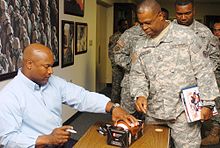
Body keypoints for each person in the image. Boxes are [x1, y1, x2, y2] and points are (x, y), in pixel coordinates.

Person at [0, 43, 138, 147]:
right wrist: (47, 139)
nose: (51, 72)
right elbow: (7, 138)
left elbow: (82, 97)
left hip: (59, 142)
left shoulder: (53, 82)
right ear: (29, 64)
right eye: (46, 66)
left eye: (51, 66)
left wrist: (112, 107)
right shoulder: (10, 95)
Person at [130, 0, 220, 147]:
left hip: (183, 112)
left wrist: (208, 103)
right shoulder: (140, 44)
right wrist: (140, 94)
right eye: (141, 24)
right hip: (154, 111)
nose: (144, 28)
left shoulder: (187, 36)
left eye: (148, 22)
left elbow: (204, 70)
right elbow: (137, 74)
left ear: (160, 16)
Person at [174, 0, 220, 145]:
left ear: (194, 11)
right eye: (179, 14)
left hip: (194, 87)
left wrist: (201, 76)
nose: (183, 17)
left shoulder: (204, 32)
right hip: (171, 85)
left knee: (193, 123)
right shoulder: (167, 30)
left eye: (187, 13)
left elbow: (214, 56)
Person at [113, 22, 146, 115]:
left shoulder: (166, 34)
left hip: (155, 86)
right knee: (127, 117)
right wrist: (135, 66)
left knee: (153, 123)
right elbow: (118, 55)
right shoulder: (130, 33)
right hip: (130, 84)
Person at [108, 19, 129, 103]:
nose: (126, 27)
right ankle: (114, 105)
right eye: (124, 25)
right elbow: (111, 53)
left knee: (126, 87)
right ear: (119, 26)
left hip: (126, 66)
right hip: (118, 67)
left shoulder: (127, 36)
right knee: (116, 87)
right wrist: (117, 65)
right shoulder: (115, 37)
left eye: (127, 25)